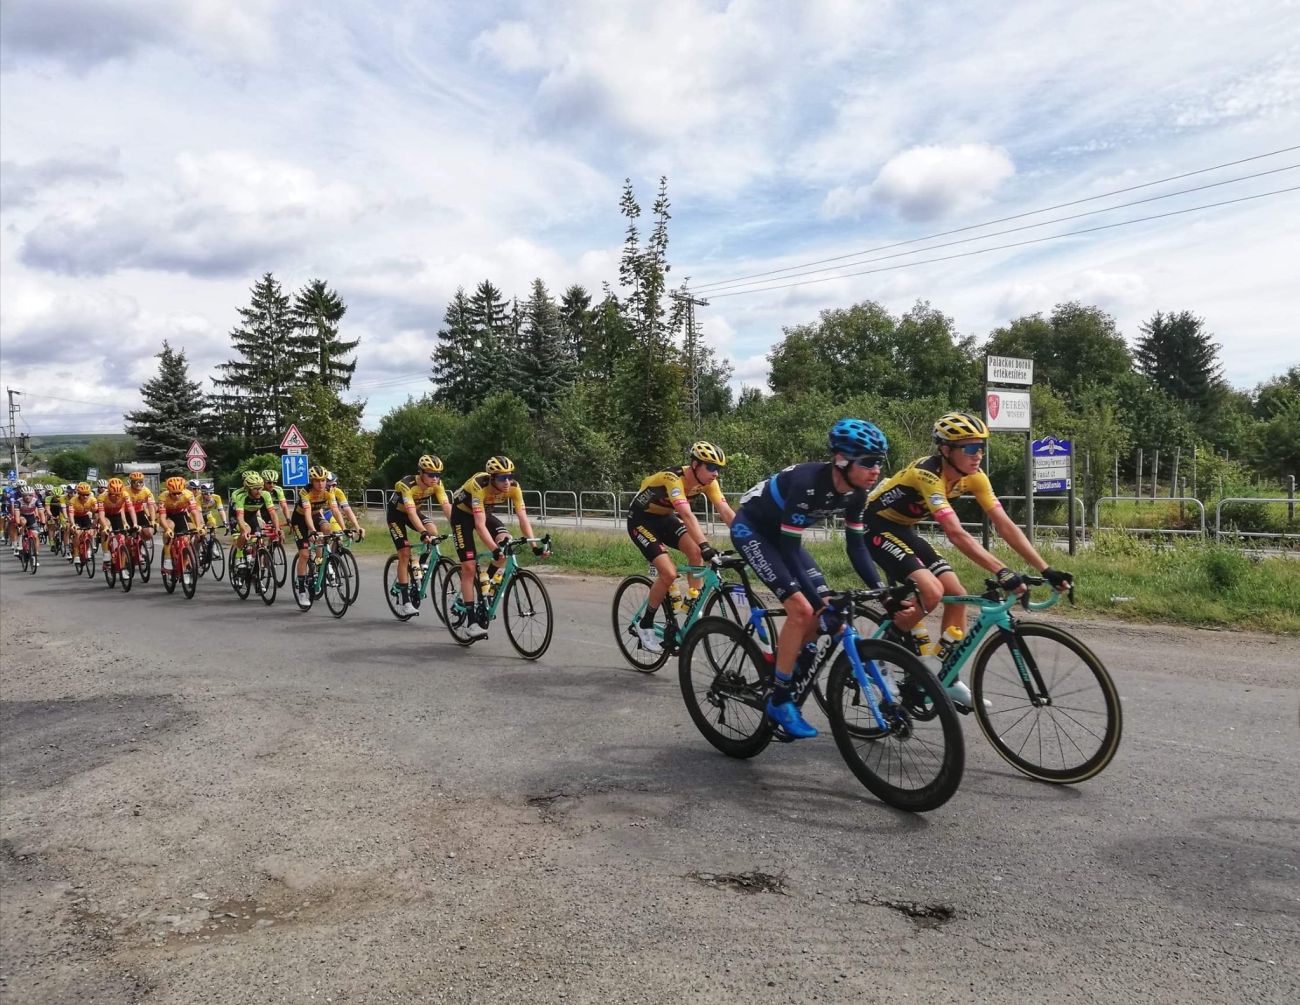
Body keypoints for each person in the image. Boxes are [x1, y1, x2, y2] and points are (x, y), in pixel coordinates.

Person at [865, 411, 1073, 707]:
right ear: (946, 450)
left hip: (904, 530)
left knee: (958, 595)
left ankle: (946, 678)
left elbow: (1004, 525)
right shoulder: (928, 474)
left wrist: (1046, 568)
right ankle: (877, 654)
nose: (979, 455)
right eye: (971, 448)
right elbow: (955, 533)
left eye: (981, 447)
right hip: (875, 528)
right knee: (932, 592)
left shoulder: (975, 477)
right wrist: (1002, 571)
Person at [730, 419, 891, 739]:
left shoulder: (858, 494)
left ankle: (786, 663)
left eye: (879, 462)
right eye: (869, 462)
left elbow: (857, 547)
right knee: (804, 609)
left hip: (783, 539)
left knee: (824, 608)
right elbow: (790, 551)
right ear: (842, 460)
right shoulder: (808, 484)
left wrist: (883, 593)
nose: (876, 470)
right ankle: (779, 699)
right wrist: (819, 604)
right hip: (753, 530)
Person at [625, 441, 735, 653]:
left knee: (695, 553)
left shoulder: (709, 482)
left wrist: (747, 538)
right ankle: (645, 624)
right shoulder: (673, 478)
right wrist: (705, 545)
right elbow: (686, 514)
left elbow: (725, 511)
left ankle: (692, 603)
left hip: (665, 519)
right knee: (668, 573)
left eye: (719, 469)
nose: (715, 473)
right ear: (695, 465)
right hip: (640, 520)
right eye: (711, 467)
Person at [449, 456, 543, 639]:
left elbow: (523, 518)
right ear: (492, 478)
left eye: (509, 476)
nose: (507, 481)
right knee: (469, 567)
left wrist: (534, 546)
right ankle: (472, 623)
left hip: (484, 512)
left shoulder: (514, 487)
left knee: (506, 542)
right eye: (501, 478)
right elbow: (479, 525)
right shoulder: (479, 485)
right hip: (462, 516)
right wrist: (494, 549)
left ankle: (486, 581)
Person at [386, 454, 453, 617]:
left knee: (433, 532)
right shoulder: (407, 484)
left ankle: (422, 564)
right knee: (404, 552)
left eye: (438, 474)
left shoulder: (437, 484)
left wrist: (457, 525)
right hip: (396, 515)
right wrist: (422, 533)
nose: (435, 478)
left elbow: (446, 507)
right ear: (421, 472)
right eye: (431, 474)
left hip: (414, 512)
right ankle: (405, 602)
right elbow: (410, 512)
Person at [290, 465, 347, 607]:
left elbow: (335, 510)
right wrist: (312, 530)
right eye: (317, 481)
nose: (320, 484)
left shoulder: (328, 491)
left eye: (323, 480)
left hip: (315, 516)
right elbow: (307, 513)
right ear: (311, 481)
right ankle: (302, 592)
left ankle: (320, 559)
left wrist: (345, 528)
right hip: (300, 520)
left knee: (327, 528)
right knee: (304, 555)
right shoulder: (305, 492)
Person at [230, 471, 281, 572]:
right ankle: (239, 557)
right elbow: (240, 517)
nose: (259, 491)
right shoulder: (241, 496)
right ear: (248, 489)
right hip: (237, 516)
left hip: (252, 516)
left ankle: (254, 558)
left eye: (260, 488)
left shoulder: (266, 495)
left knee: (259, 534)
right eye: (255, 489)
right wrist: (244, 530)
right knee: (246, 531)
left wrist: (277, 528)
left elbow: (273, 513)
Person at [157, 476, 201, 578]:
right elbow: (162, 517)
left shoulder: (188, 494)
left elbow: (194, 512)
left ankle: (185, 560)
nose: (177, 496)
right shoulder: (163, 497)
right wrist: (167, 529)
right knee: (170, 527)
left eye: (179, 493)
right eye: (174, 493)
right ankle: (167, 557)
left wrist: (199, 526)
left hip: (181, 514)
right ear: (169, 491)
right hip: (168, 515)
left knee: (190, 531)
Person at [97, 478, 139, 568]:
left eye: (118, 495)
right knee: (105, 530)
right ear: (108, 492)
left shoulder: (125, 494)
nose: (116, 497)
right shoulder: (102, 497)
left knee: (122, 540)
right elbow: (101, 515)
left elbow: (131, 510)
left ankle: (122, 567)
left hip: (117, 515)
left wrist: (135, 523)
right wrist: (105, 526)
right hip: (106, 515)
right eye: (113, 495)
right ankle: (106, 553)